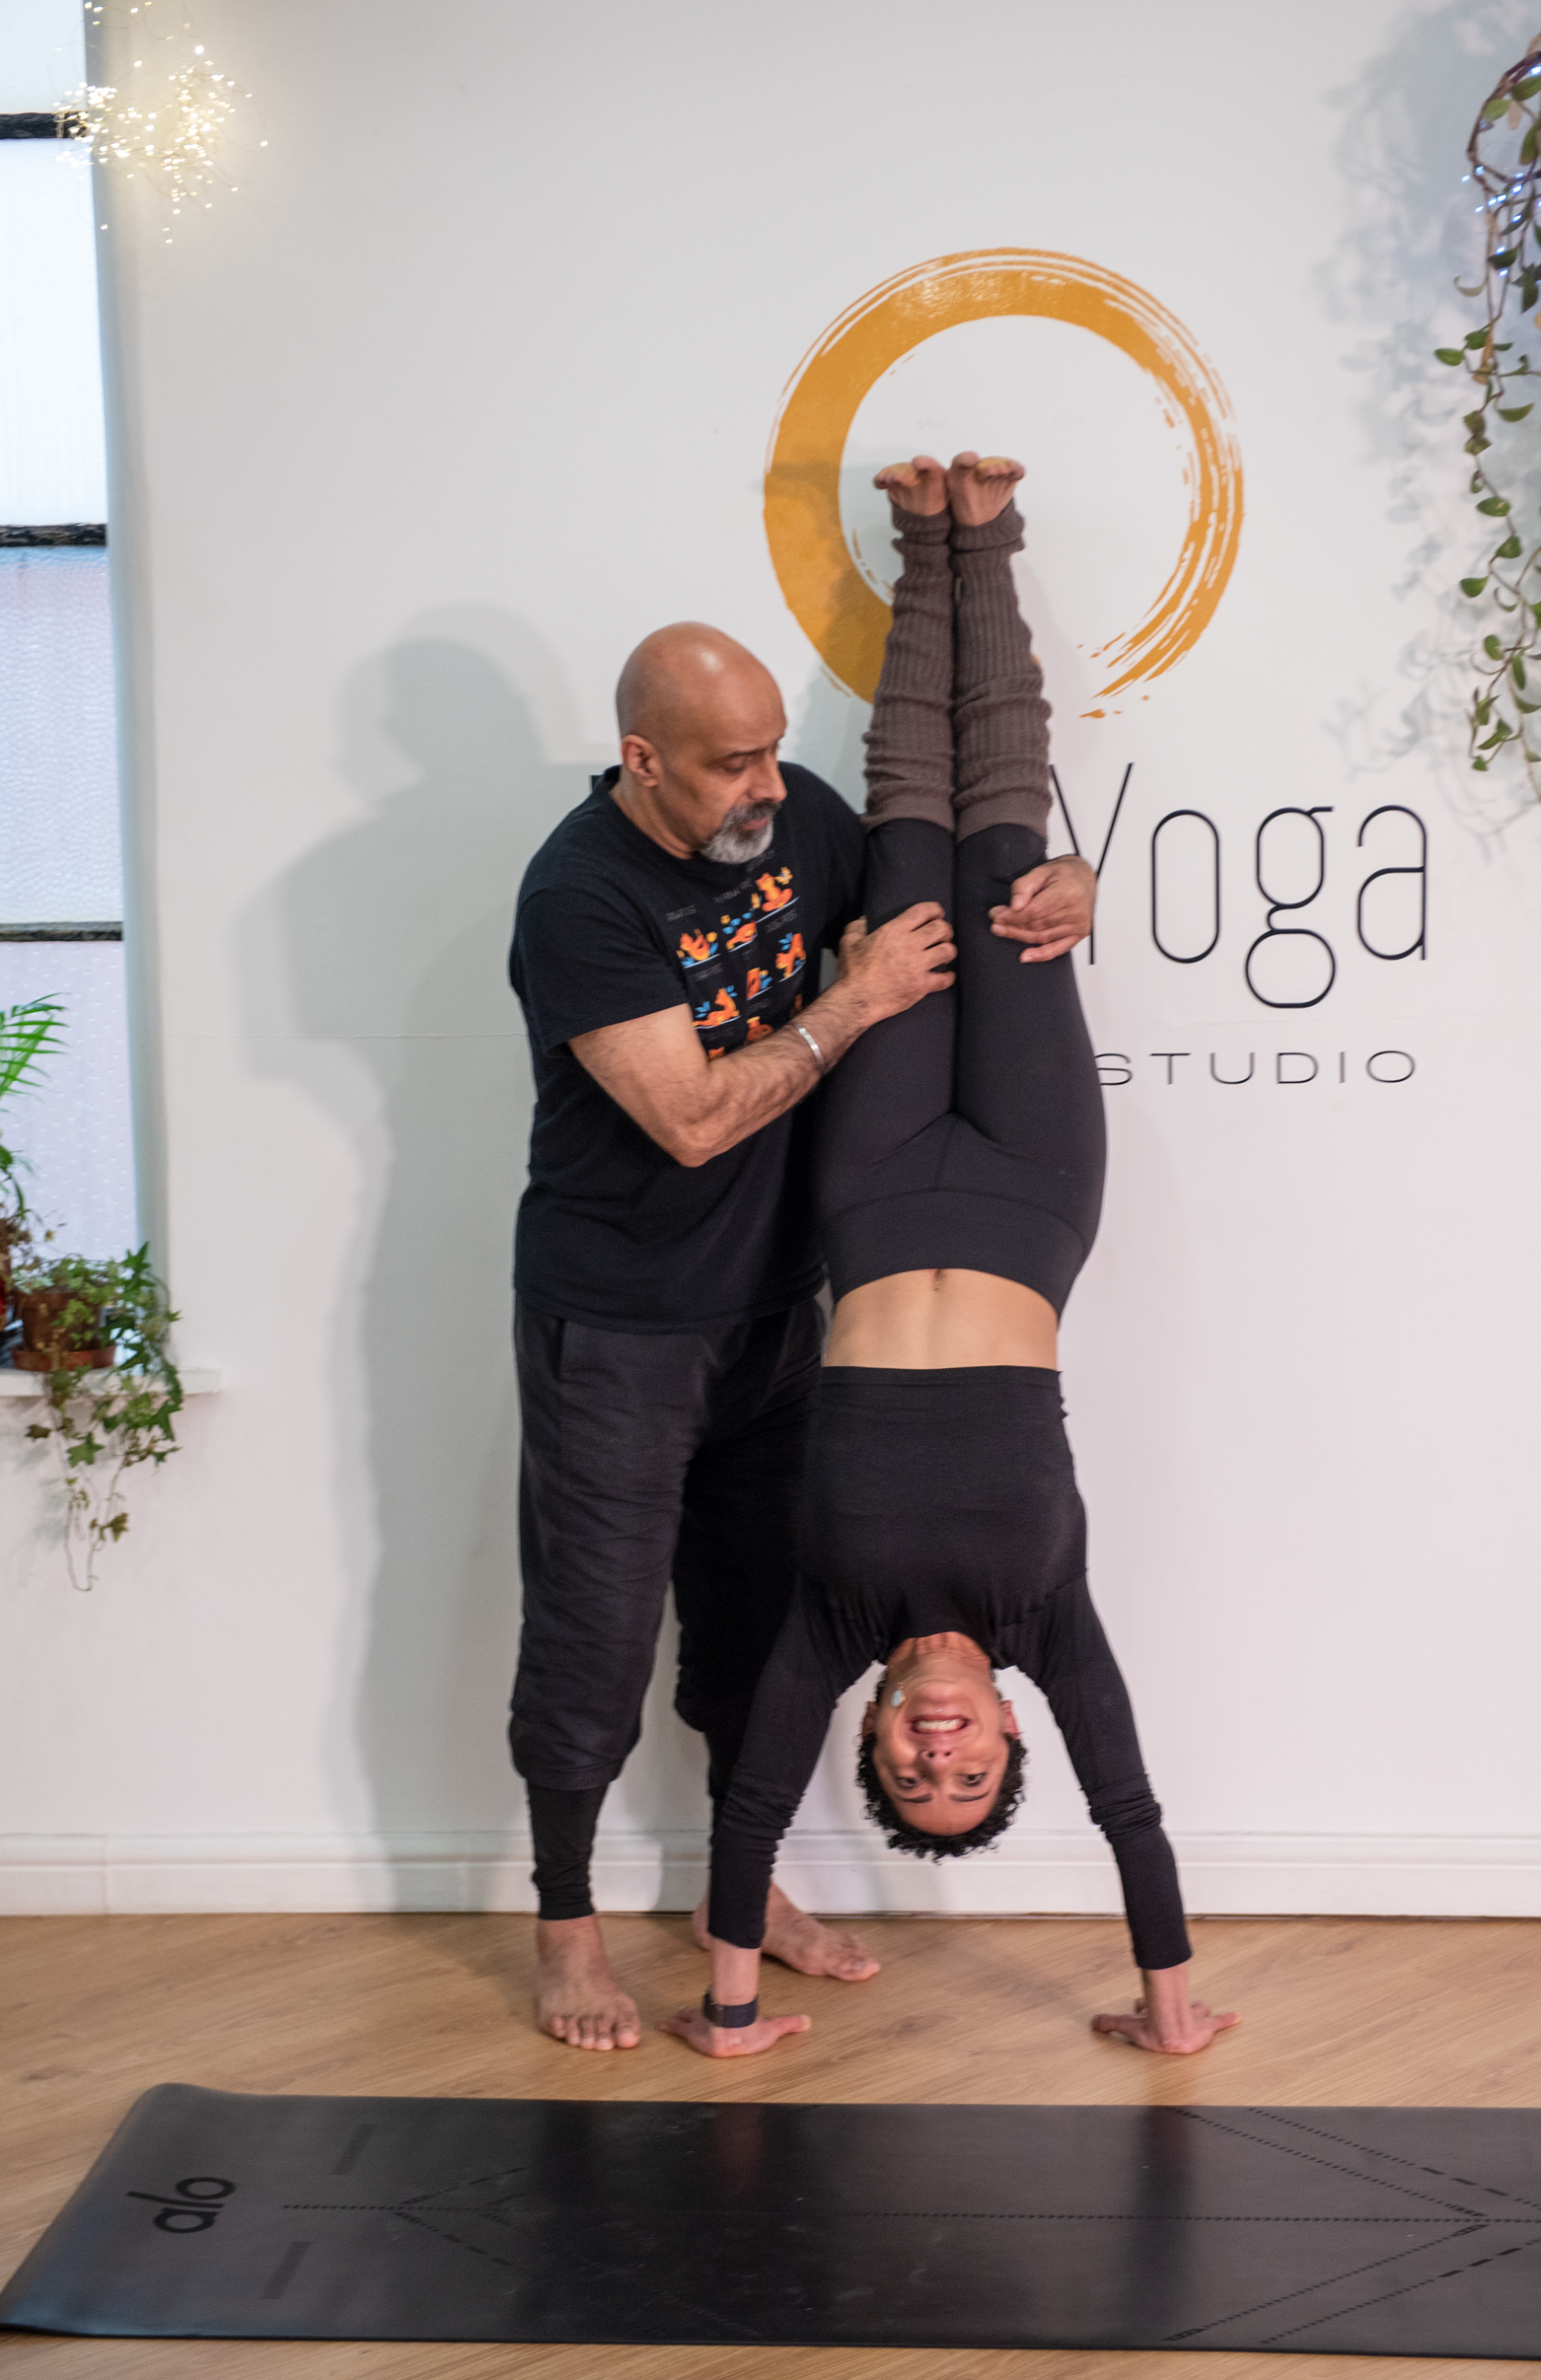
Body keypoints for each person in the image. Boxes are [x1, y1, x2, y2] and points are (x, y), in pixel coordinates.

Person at [664, 452, 1240, 2061]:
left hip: (867, 1201)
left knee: (913, 869)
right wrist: (1169, 2007)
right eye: (970, 1768)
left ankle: (926, 541)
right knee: (1011, 876)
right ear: (1001, 1730)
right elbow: (1127, 1805)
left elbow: (751, 1804)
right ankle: (987, 531)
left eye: (913, 1776)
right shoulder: (1047, 1616)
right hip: (1031, 1200)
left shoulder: (828, 1627)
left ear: (879, 1742)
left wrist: (727, 2009)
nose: (938, 1756)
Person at [507, 599, 1096, 2050]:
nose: (770, 785)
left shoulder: (787, 820)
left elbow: (940, 909)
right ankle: (566, 1938)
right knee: (590, 1646)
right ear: (642, 761)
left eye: (773, 752)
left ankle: (743, 1894)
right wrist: (852, 1003)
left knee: (750, 1634)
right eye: (731, 764)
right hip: (624, 1325)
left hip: (782, 1318)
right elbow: (694, 1118)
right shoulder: (579, 895)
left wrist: (1070, 885)